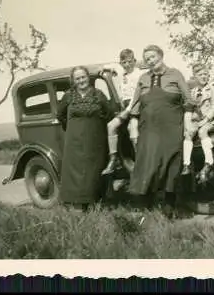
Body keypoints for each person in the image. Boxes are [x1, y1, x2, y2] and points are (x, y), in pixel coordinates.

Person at [124, 45, 195, 218]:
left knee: (171, 164)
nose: (150, 61)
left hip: (172, 126)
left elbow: (188, 100)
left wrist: (188, 123)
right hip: (148, 128)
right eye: (147, 59)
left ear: (161, 56)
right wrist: (133, 125)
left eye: (153, 57)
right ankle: (145, 204)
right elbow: (135, 105)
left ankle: (169, 206)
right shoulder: (143, 78)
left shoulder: (175, 74)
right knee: (148, 162)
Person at [57, 66, 113, 213]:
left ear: (88, 77)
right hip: (74, 141)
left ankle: (95, 204)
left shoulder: (98, 95)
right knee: (75, 172)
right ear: (73, 81)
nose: (81, 80)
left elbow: (109, 114)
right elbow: (60, 116)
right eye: (77, 78)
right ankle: (77, 204)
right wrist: (73, 130)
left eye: (83, 77)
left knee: (93, 171)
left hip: (95, 141)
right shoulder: (68, 96)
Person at [103, 49, 144, 175]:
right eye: (124, 62)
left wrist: (128, 110)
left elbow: (137, 95)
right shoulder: (122, 73)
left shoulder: (139, 74)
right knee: (111, 126)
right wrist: (108, 69)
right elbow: (107, 66)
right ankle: (114, 159)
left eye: (130, 62)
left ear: (134, 61)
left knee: (133, 131)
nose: (127, 65)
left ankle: (141, 163)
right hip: (125, 106)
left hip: (136, 106)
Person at [181, 64, 214, 183]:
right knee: (188, 134)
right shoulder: (193, 91)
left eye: (205, 74)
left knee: (203, 131)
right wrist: (191, 122)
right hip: (198, 120)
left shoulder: (212, 89)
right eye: (200, 75)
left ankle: (209, 162)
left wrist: (206, 120)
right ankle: (186, 164)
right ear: (195, 77)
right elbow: (191, 108)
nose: (203, 77)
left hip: (211, 120)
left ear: (208, 76)